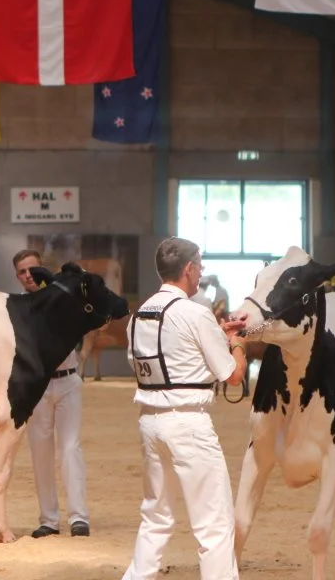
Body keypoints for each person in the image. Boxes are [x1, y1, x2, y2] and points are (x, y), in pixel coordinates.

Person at [121, 237, 248, 580]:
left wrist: (214, 336)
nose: (201, 273)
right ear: (189, 269)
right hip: (189, 423)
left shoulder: (138, 316)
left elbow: (146, 362)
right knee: (214, 524)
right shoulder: (195, 313)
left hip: (150, 422)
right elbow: (233, 376)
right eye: (200, 267)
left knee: (156, 517)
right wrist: (237, 343)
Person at [12, 248, 90, 538]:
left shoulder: (63, 297)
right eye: (22, 271)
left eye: (32, 269)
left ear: (42, 270)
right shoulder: (18, 306)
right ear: (17, 277)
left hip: (68, 380)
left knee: (70, 448)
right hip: (37, 386)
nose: (28, 275)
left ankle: (79, 517)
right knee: (40, 452)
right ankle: (49, 519)